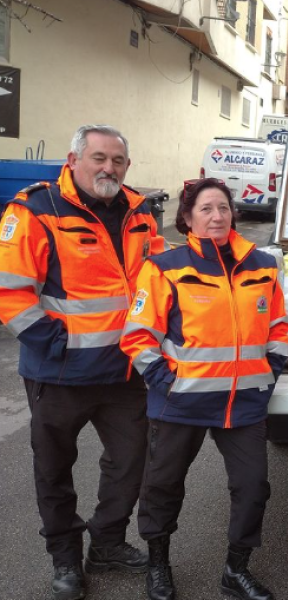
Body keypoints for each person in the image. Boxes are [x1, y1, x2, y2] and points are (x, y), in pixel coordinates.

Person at [0, 125, 164, 600]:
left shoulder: (139, 211)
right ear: (73, 160)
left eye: (117, 160)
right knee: (54, 469)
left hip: (126, 371)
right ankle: (66, 558)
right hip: (59, 373)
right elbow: (10, 291)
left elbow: (154, 282)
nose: (108, 168)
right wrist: (56, 344)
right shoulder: (35, 209)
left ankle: (108, 543)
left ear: (127, 167)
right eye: (98, 158)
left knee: (131, 462)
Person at [120, 178, 288, 600]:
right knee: (162, 487)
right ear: (188, 219)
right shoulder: (164, 267)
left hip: (244, 403)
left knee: (253, 487)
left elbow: (280, 326)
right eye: (206, 209)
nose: (217, 216)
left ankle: (236, 570)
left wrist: (272, 367)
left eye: (223, 208)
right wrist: (166, 382)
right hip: (181, 403)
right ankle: (158, 563)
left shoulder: (262, 265)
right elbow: (137, 336)